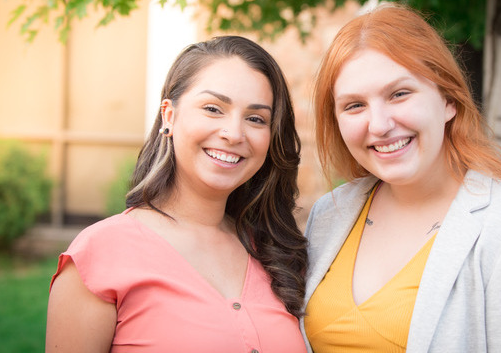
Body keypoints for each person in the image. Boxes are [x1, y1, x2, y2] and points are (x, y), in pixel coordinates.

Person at [302, 3, 501, 353]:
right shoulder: (328, 215)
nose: (379, 124)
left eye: (399, 94)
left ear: (448, 100)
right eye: (354, 105)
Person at [46, 36, 308, 352]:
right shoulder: (99, 255)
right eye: (213, 108)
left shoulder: (275, 253)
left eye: (255, 118)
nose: (234, 133)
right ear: (170, 116)